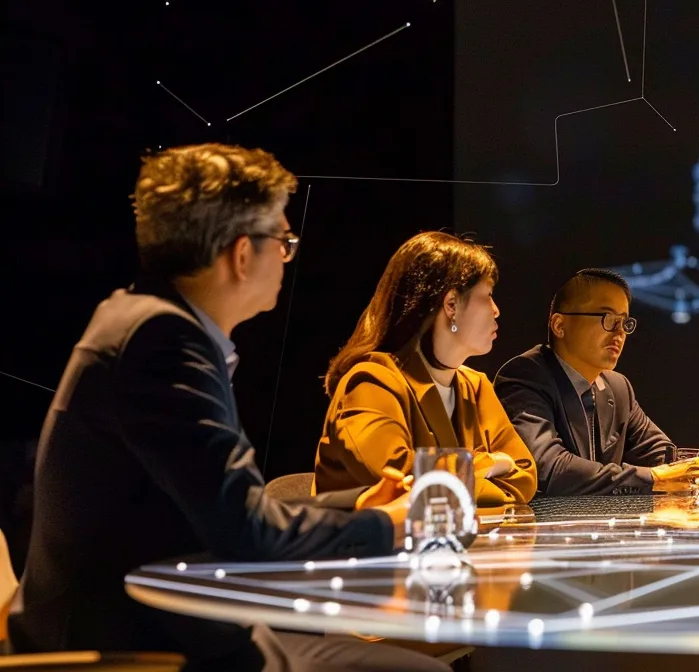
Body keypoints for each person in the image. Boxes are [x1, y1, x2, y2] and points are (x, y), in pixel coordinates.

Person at [9, 144, 443, 670]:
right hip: (125, 645)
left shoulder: (144, 320)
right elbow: (243, 531)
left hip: (155, 618)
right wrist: (389, 527)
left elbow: (225, 509)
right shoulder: (162, 340)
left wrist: (360, 506)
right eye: (283, 241)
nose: (287, 255)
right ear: (242, 254)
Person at [314, 232, 537, 506]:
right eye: (488, 295)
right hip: (371, 546)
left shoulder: (475, 385)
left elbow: (524, 475)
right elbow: (401, 478)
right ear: (451, 304)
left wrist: (456, 475)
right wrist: (490, 462)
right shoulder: (371, 381)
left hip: (456, 544)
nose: (496, 309)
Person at [494, 268, 699, 496]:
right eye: (607, 319)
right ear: (560, 325)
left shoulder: (618, 387)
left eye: (624, 322)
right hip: (539, 527)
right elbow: (548, 468)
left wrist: (689, 471)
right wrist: (653, 478)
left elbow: (659, 451)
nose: (619, 333)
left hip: (601, 527)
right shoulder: (525, 376)